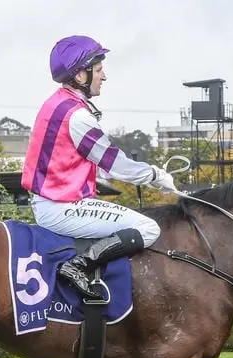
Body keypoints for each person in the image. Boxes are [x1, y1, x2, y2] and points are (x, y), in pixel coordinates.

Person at [21, 35, 177, 300]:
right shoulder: (78, 116)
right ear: (81, 74)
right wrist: (154, 176)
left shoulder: (57, 102)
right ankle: (78, 265)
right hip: (63, 208)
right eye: (100, 69)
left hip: (50, 202)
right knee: (149, 229)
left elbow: (94, 163)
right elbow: (115, 164)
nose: (104, 76)